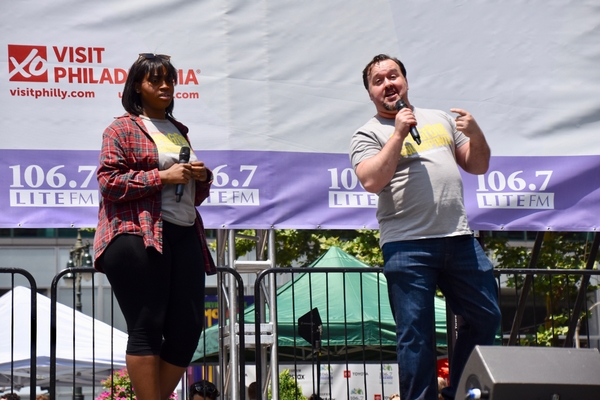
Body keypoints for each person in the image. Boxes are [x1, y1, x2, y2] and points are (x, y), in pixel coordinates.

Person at [349, 54, 501, 400]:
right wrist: (399, 133)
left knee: (486, 316)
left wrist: (476, 135)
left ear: (405, 80)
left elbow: (477, 165)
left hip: (458, 238)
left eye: (393, 76)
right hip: (407, 246)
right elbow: (371, 180)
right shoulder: (367, 133)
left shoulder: (439, 119)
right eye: (379, 80)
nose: (388, 83)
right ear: (371, 93)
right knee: (415, 335)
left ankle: (461, 391)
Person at [93, 53, 216, 400]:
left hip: (183, 231)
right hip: (137, 233)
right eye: (155, 80)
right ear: (137, 86)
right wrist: (162, 176)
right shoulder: (122, 128)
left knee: (189, 328)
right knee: (147, 326)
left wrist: (201, 176)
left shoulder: (179, 131)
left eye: (169, 80)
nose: (165, 86)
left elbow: (190, 193)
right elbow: (109, 183)